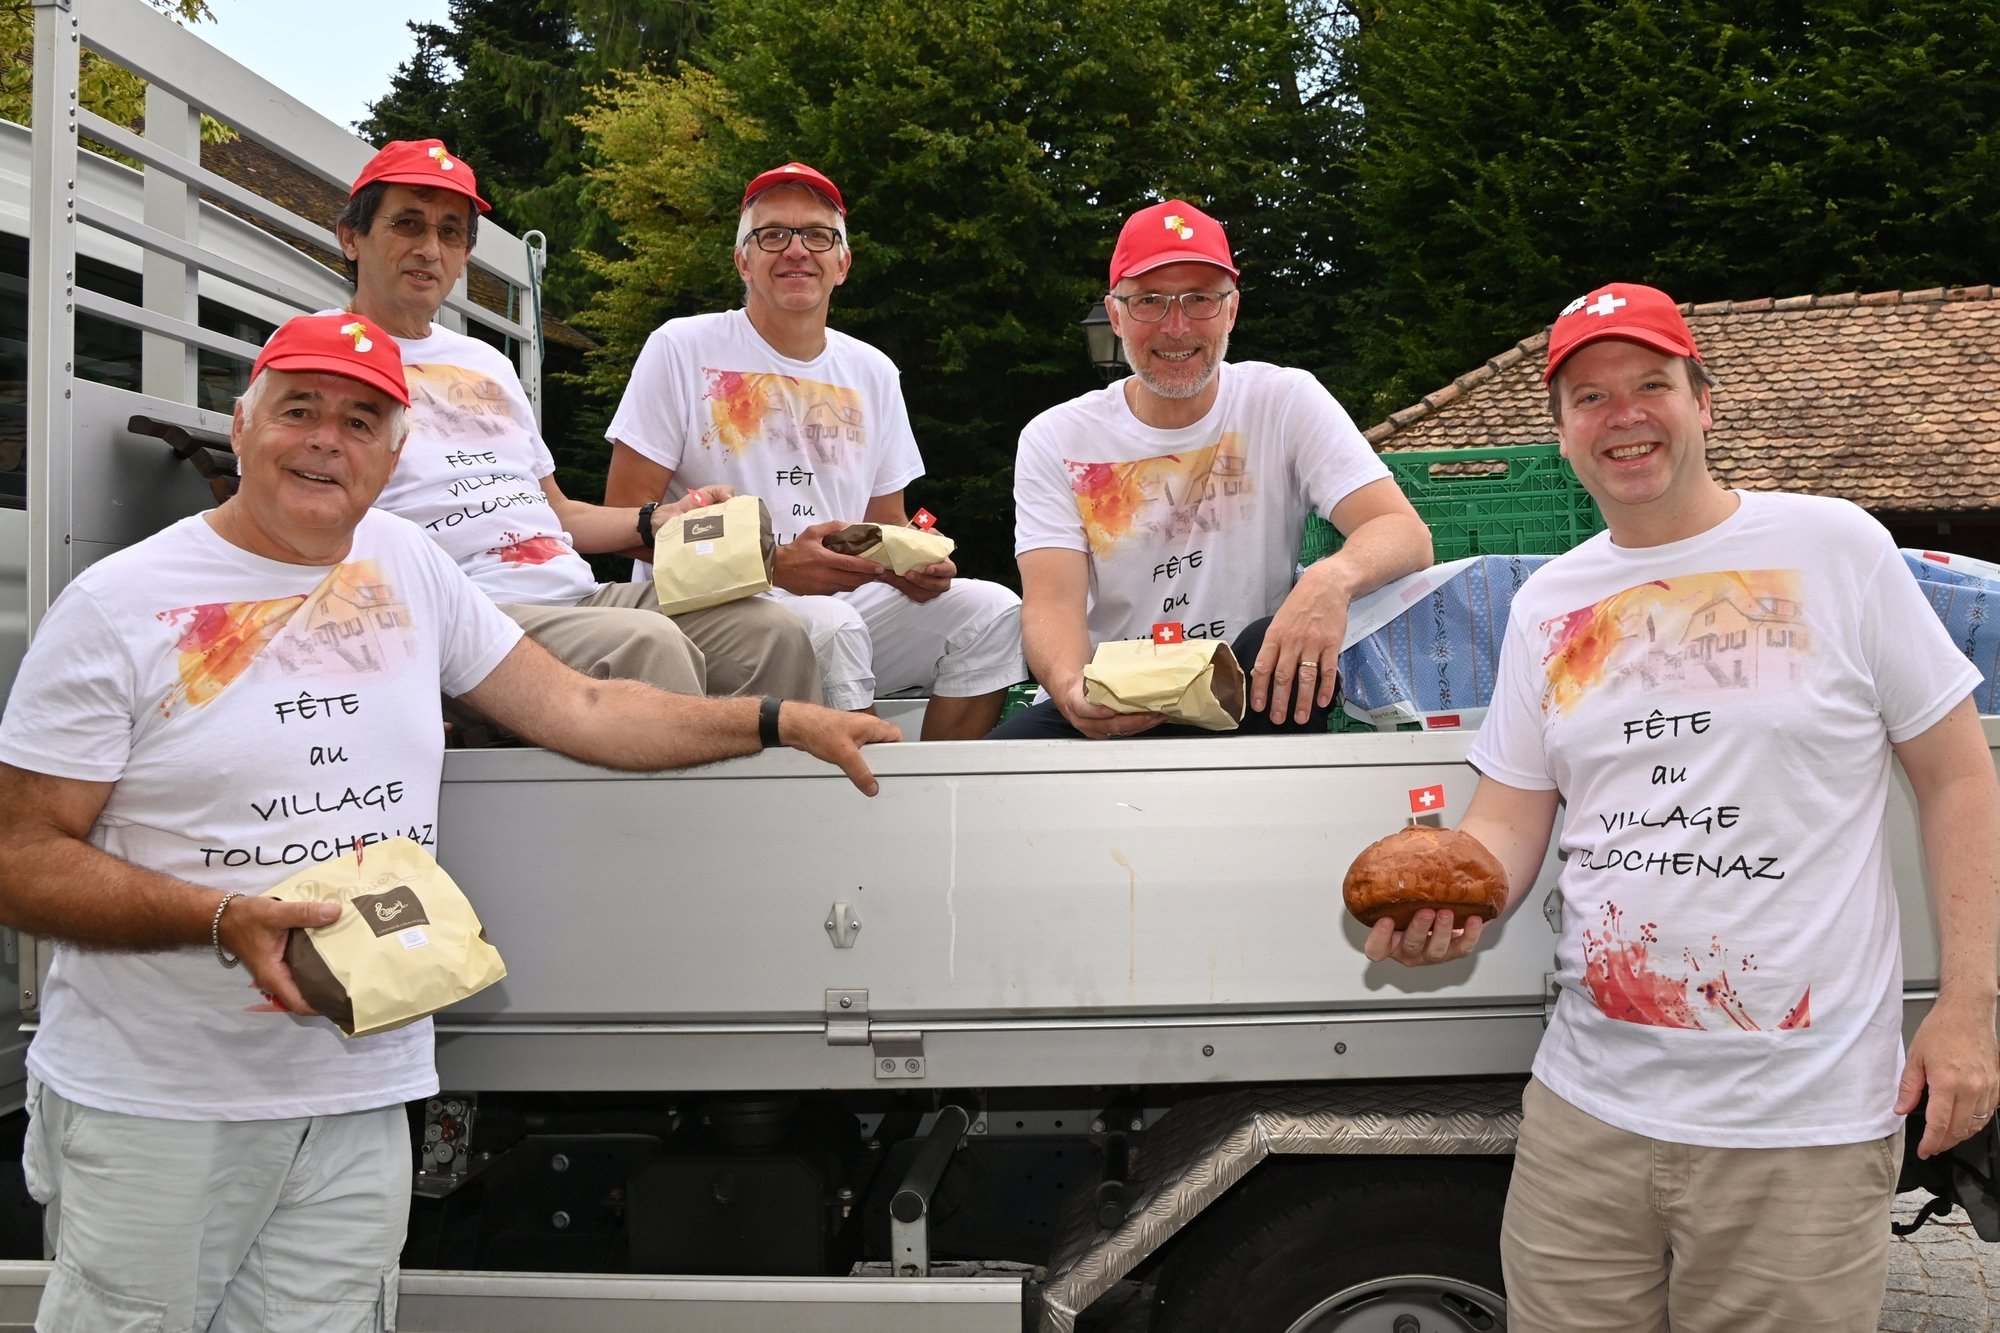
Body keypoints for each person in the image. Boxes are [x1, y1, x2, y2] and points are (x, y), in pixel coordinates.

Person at [0, 313, 897, 1328]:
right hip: (162, 1099)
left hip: (359, 1081)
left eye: (360, 419)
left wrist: (777, 720)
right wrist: (218, 918)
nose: (326, 440)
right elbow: (20, 858)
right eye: (299, 410)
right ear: (242, 426)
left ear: (392, 454)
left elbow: (580, 706)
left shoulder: (405, 563)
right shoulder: (120, 603)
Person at [1368, 282, 2000, 1331]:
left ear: (1701, 403)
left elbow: (1955, 773)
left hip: (1798, 1127)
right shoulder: (1547, 605)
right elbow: (1510, 819)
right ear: (1560, 433)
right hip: (1587, 1116)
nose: (1621, 414)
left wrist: (1971, 1007)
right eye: (1587, 397)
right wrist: (1449, 900)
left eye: (1648, 384)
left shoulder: (1832, 548)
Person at [336, 138, 819, 703]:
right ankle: (694, 795)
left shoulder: (485, 362)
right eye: (408, 225)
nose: (430, 249)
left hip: (573, 597)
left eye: (449, 232)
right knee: (647, 645)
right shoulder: (326, 355)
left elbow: (558, 512)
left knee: (771, 630)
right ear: (352, 237)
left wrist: (659, 520)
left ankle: (771, 794)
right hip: (466, 615)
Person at [602, 162, 1026, 740]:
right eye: (772, 234)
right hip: (714, 603)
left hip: (842, 600)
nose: (796, 250)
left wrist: (914, 563)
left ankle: (935, 789)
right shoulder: (682, 347)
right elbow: (627, 518)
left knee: (991, 611)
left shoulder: (872, 371)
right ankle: (879, 809)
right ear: (742, 262)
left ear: (842, 265)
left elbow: (885, 523)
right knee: (831, 625)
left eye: (818, 236)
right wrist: (770, 563)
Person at [992, 199, 1431, 739]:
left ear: (1231, 310)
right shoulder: (1057, 436)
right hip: (1114, 693)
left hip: (1244, 686)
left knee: (1275, 649)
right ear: (1115, 315)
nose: (1176, 327)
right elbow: (1051, 600)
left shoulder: (1284, 399)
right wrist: (1072, 690)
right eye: (1149, 301)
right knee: (995, 778)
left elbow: (1404, 532)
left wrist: (1330, 579)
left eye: (1200, 299)